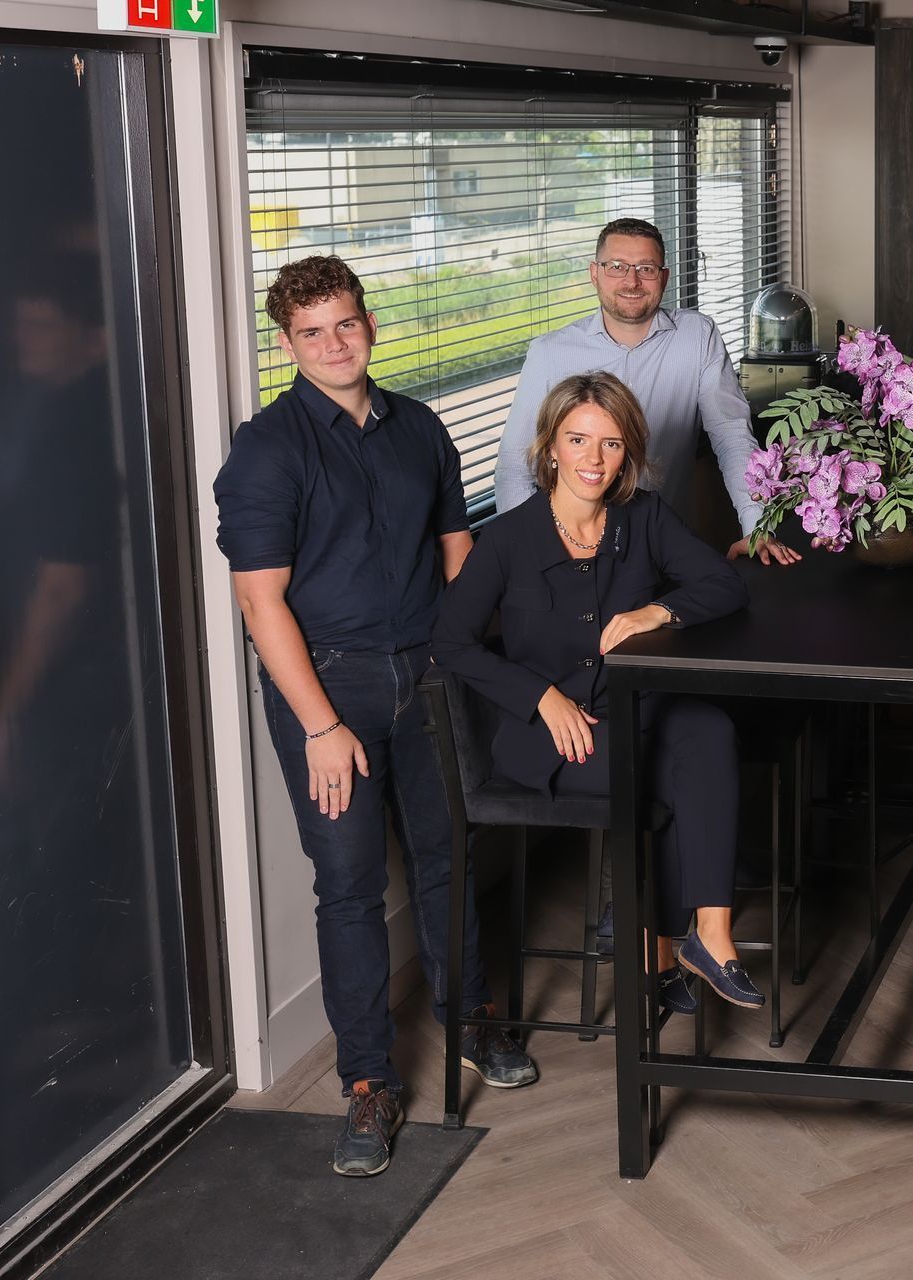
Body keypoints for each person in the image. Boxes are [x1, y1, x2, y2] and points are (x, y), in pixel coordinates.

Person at [215, 255, 538, 1180]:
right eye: (311, 333)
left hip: (429, 676)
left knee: (449, 857)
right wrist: (319, 724)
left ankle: (471, 1018)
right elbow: (260, 603)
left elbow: (455, 546)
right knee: (351, 884)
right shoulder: (268, 449)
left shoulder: (420, 426)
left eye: (345, 324)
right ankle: (367, 1082)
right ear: (287, 345)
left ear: (369, 323)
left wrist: (466, 663)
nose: (333, 343)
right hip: (333, 691)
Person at [433, 372, 764, 1015]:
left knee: (708, 729)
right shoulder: (506, 539)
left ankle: (711, 938)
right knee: (674, 776)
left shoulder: (642, 519)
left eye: (611, 444)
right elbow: (451, 643)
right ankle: (661, 953)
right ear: (550, 446)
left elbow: (726, 585)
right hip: (554, 738)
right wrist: (541, 698)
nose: (593, 459)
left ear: (628, 453)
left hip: (633, 712)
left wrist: (656, 614)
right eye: (578, 440)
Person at [493, 216, 798, 569]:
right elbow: (515, 468)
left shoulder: (697, 337)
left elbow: (731, 436)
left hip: (665, 553)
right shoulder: (550, 353)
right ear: (595, 273)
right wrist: (536, 554)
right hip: (571, 555)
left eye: (646, 268)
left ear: (664, 277)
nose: (631, 281)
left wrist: (757, 526)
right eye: (616, 266)